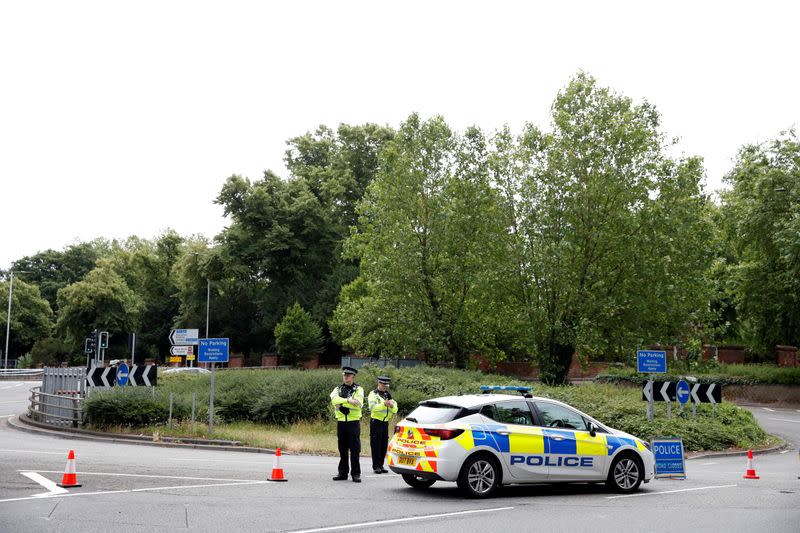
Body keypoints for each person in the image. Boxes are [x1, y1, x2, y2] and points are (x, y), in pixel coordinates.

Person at [330, 366, 364, 482]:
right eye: (344, 375)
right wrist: (348, 400)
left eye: (348, 375)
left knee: (355, 450)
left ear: (353, 376)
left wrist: (342, 403)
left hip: (353, 422)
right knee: (342, 449)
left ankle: (356, 474)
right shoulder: (338, 388)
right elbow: (334, 400)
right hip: (341, 422)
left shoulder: (358, 389)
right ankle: (342, 473)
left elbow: (358, 403)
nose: (346, 377)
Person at [368, 376, 398, 474]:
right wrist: (384, 405)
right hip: (376, 422)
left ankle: (381, 465)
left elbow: (395, 409)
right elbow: (372, 408)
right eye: (384, 385)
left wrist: (392, 405)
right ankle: (376, 466)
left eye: (386, 385)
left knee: (383, 445)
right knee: (376, 445)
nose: (385, 387)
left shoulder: (387, 395)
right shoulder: (373, 394)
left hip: (385, 422)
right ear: (379, 384)